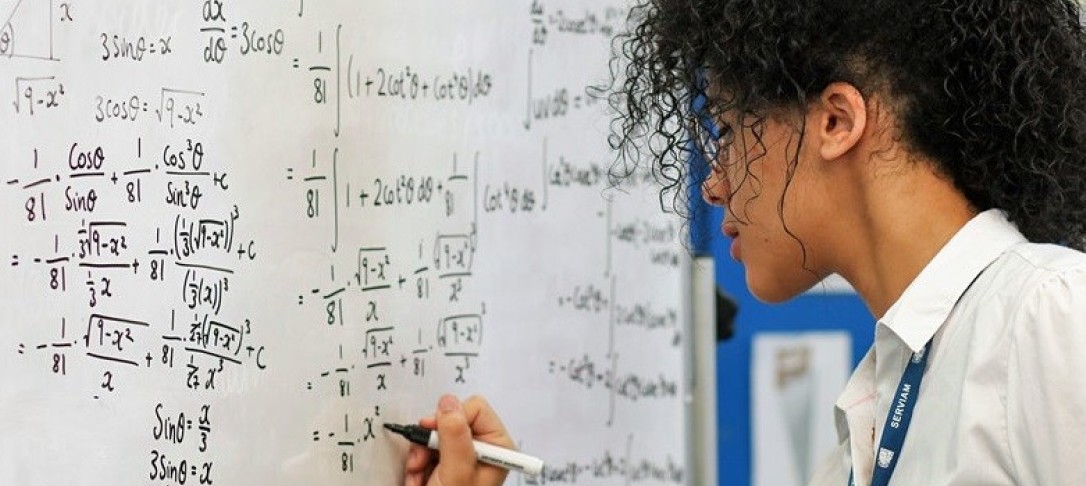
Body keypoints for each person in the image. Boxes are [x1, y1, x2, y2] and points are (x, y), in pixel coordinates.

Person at [403, 0, 1086, 484]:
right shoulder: (877, 404)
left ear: (836, 120)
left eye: (729, 133)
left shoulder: (1049, 315)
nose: (713, 185)